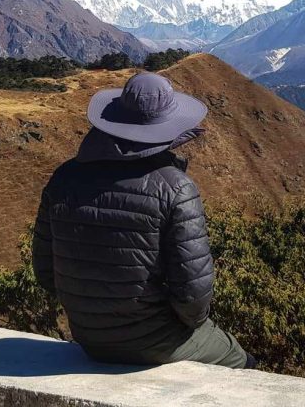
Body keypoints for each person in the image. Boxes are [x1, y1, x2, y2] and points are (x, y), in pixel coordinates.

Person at [32, 71, 255, 369]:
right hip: (154, 341)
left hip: (89, 338)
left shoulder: (63, 178)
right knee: (239, 358)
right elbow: (193, 298)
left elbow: (46, 273)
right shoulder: (176, 188)